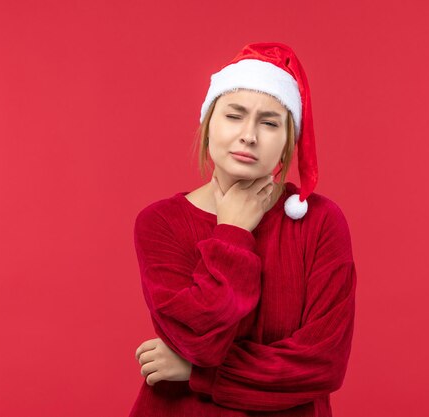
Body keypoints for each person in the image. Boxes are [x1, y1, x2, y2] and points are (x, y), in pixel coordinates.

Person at [129, 42, 357, 417]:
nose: (249, 135)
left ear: (288, 142)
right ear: (207, 125)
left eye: (269, 123)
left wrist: (198, 374)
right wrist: (232, 230)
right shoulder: (159, 223)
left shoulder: (320, 222)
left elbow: (323, 363)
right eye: (234, 116)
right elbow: (197, 339)